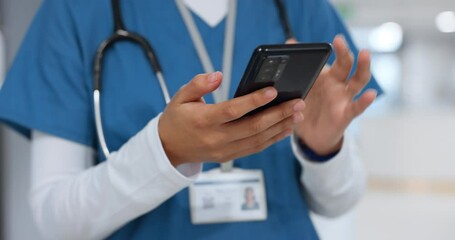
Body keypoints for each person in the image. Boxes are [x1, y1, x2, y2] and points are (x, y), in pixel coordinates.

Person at [0, 0, 382, 239]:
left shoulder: (298, 8)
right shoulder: (76, 11)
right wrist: (166, 152)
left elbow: (339, 202)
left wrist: (322, 149)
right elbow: (55, 222)